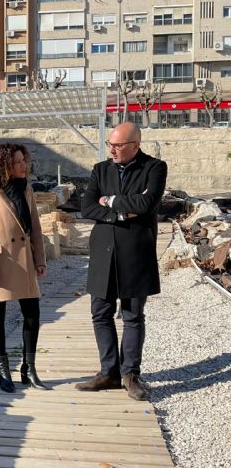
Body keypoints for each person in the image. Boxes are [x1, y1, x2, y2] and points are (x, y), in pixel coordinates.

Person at [76, 122, 167, 401]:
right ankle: (109, 372)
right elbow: (87, 207)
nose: (112, 150)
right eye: (110, 145)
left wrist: (110, 200)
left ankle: (130, 375)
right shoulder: (100, 169)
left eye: (118, 145)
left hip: (136, 253)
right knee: (101, 313)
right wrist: (120, 212)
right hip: (103, 252)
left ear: (135, 145)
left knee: (133, 315)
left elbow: (147, 204)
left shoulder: (154, 168)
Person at [0, 143, 50, 393]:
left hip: (24, 259)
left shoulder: (26, 188)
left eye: (24, 161)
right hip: (1, 262)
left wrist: (40, 259)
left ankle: (29, 368)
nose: (23, 166)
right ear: (4, 164)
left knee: (32, 314)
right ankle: (3, 370)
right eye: (17, 162)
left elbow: (35, 226)